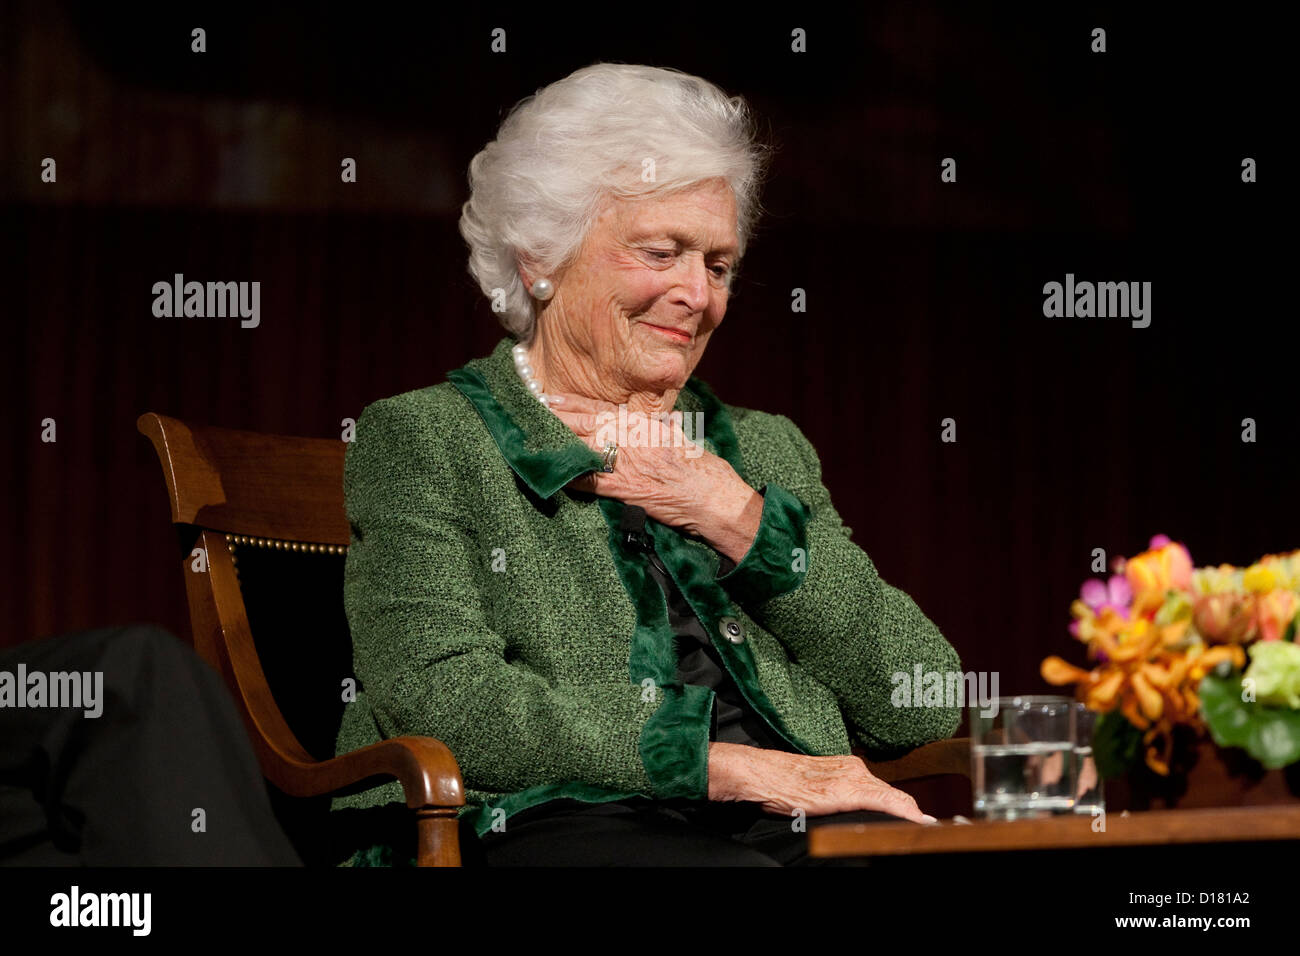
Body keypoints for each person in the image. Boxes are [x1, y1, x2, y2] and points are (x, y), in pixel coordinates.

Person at [331, 63, 962, 866]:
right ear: (539, 258)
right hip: (545, 819)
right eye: (661, 253)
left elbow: (926, 700)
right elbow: (444, 699)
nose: (696, 295)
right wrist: (710, 765)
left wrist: (738, 519)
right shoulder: (431, 439)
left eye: (719, 265)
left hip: (790, 829)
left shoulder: (764, 449)